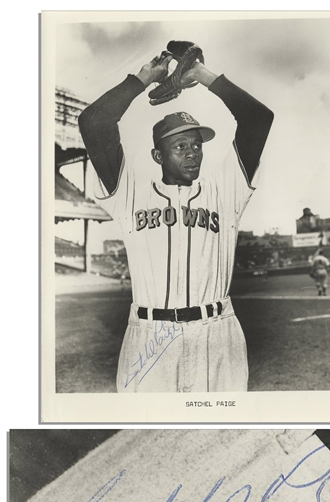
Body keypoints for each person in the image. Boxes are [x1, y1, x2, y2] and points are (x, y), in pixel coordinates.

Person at [78, 48, 274, 392]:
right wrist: (144, 79)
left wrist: (199, 74)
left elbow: (258, 118)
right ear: (158, 155)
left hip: (217, 331)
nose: (193, 152)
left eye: (196, 145)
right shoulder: (130, 191)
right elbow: (93, 122)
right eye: (180, 145)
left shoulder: (223, 190)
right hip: (150, 336)